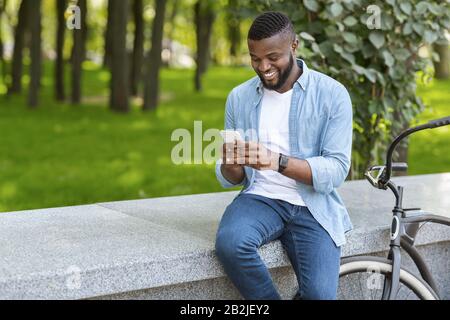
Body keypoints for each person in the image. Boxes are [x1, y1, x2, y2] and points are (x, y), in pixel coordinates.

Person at [214, 11, 353, 300]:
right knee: (231, 243)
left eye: (272, 57)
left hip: (312, 204)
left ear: (294, 46)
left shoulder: (332, 94)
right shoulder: (239, 98)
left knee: (320, 296)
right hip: (260, 198)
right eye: (255, 58)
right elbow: (231, 178)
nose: (263, 66)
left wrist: (276, 161)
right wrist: (231, 162)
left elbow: (337, 169)